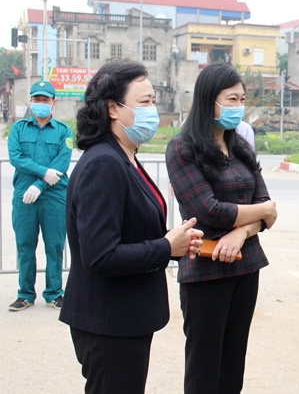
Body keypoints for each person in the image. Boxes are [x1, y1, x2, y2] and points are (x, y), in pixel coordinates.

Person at [59, 60, 203, 393]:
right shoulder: (104, 164)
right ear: (113, 108)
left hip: (125, 318)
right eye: (145, 102)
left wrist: (176, 244)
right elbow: (100, 256)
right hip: (109, 323)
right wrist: (166, 247)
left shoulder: (125, 157)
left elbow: (132, 231)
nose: (153, 109)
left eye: (153, 100)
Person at [165, 63, 278, 394]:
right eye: (231, 99)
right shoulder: (182, 148)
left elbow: (265, 211)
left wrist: (241, 231)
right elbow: (208, 210)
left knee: (232, 368)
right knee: (204, 370)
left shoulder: (240, 147)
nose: (238, 106)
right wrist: (263, 211)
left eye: (242, 99)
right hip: (205, 270)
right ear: (208, 101)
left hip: (245, 266)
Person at [8, 80, 73, 312]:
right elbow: (16, 158)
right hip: (24, 197)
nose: (41, 103)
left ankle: (55, 293)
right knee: (25, 245)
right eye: (37, 99)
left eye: (45, 100)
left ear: (53, 102)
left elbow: (62, 164)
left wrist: (39, 185)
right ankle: (25, 294)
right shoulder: (18, 129)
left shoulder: (64, 131)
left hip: (53, 197)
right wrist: (43, 173)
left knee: (54, 245)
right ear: (31, 101)